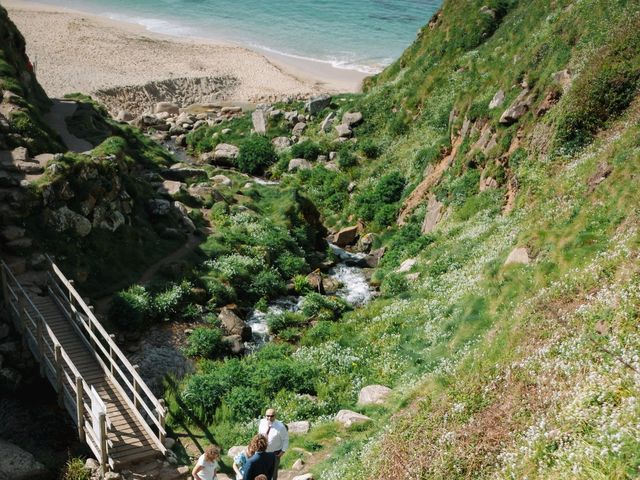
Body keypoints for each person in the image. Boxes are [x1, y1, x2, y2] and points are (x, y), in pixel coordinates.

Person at [257, 408, 288, 480]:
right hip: (262, 452)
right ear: (265, 416)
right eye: (267, 416)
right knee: (262, 472)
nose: (269, 418)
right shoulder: (262, 422)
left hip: (275, 453)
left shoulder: (280, 427)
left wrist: (282, 452)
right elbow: (259, 435)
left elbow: (285, 440)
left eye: (272, 416)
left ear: (275, 416)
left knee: (273, 473)